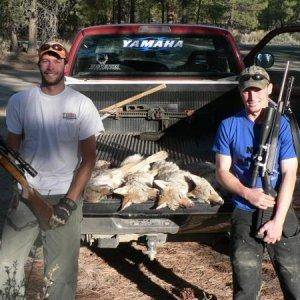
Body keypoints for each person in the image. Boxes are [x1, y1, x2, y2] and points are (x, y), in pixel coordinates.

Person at [0, 41, 104, 299]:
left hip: (63, 197)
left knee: (60, 276)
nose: (51, 65)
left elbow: (88, 160)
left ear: (65, 65)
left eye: (57, 60)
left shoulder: (82, 104)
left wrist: (68, 203)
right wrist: (21, 188)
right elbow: (12, 155)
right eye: (46, 59)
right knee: (6, 267)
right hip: (25, 196)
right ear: (38, 63)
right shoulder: (20, 101)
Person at [213, 65, 300, 299]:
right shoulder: (228, 125)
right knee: (245, 284)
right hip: (244, 209)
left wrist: (278, 222)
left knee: (295, 281)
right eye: (246, 91)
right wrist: (247, 193)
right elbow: (222, 171)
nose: (252, 96)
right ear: (240, 92)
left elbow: (290, 174)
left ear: (269, 89)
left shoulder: (282, 125)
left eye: (258, 90)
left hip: (278, 207)